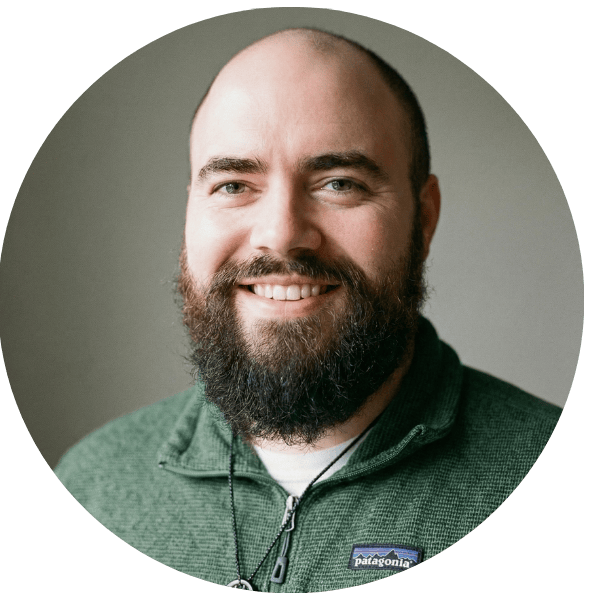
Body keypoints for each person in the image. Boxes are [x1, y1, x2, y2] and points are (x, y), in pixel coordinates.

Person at [55, 28, 561, 593]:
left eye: (339, 183)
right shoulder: (89, 490)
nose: (281, 234)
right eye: (233, 185)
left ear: (424, 220)